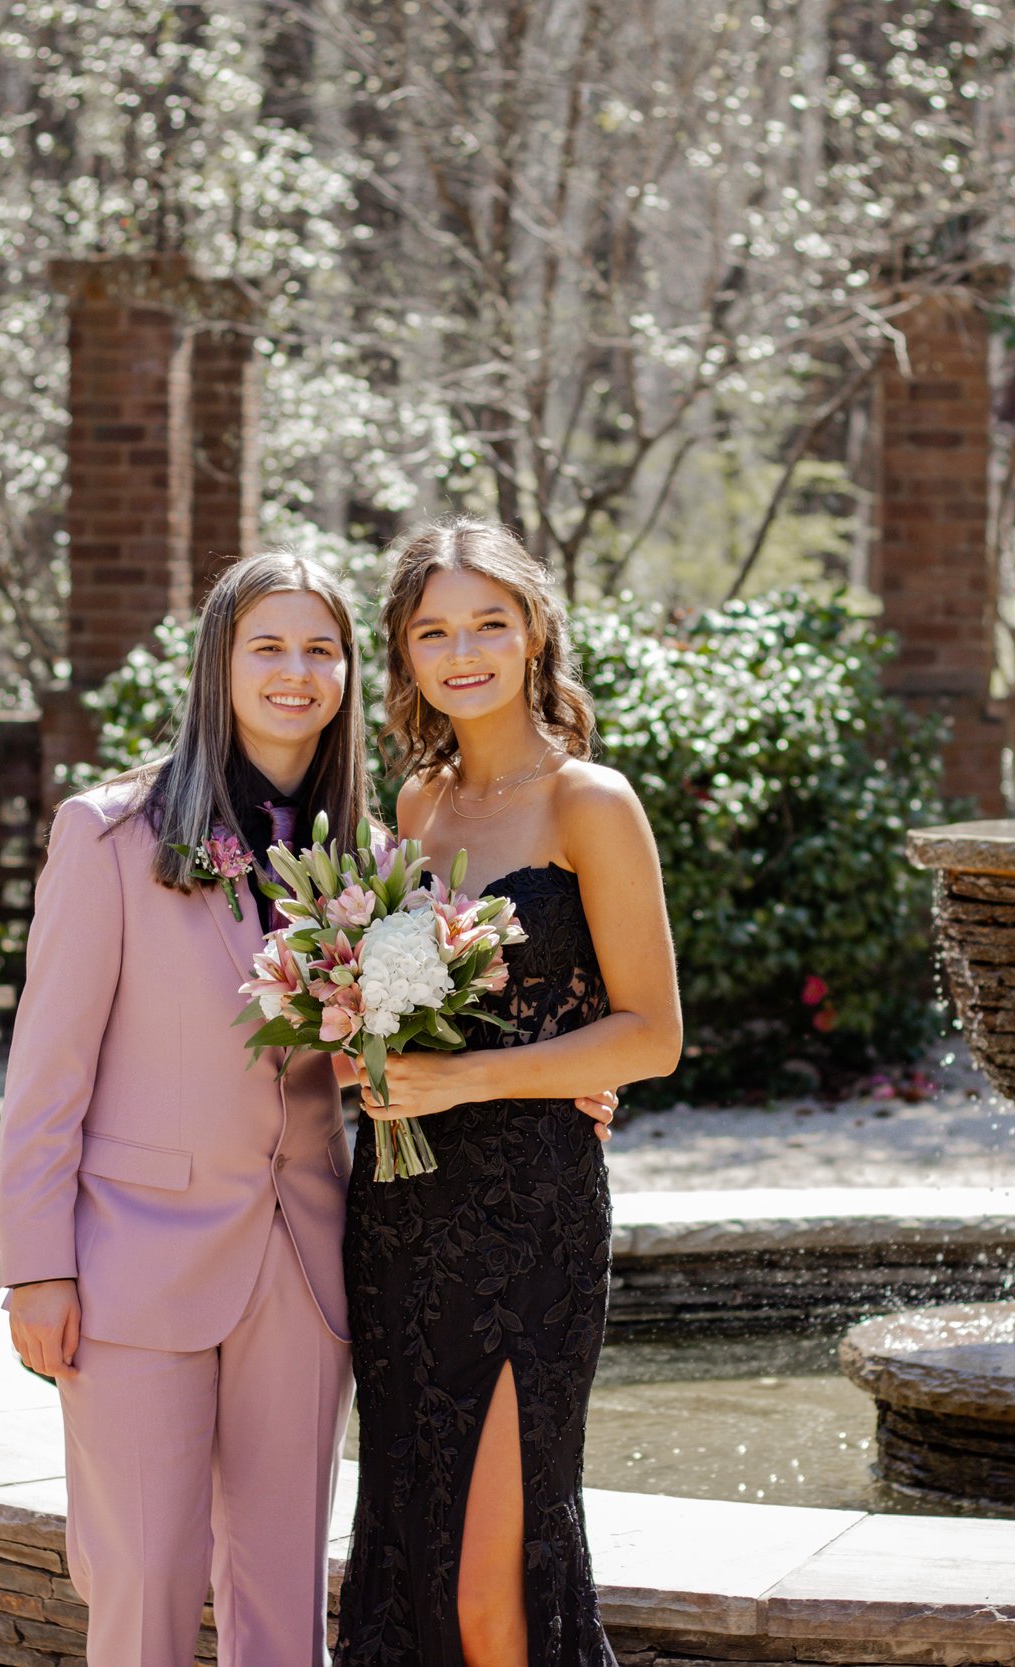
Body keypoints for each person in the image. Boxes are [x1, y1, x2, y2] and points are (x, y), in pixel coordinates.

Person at [0, 550, 371, 1667]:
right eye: (269, 646)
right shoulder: (109, 833)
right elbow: (47, 1069)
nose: (296, 671)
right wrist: (36, 1265)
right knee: (146, 1577)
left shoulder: (368, 853)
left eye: (321, 648)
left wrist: (553, 1080)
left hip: (303, 1263)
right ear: (219, 660)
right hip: (132, 1257)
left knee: (283, 1591)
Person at [337, 519, 683, 1667]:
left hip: (529, 1215)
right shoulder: (414, 805)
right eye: (434, 630)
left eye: (488, 621)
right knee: (410, 1552)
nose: (464, 650)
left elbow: (652, 1034)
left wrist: (466, 1079)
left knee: (494, 1592)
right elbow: (390, 1007)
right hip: (399, 1214)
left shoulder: (592, 800)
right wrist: (361, 1052)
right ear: (405, 650)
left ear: (534, 629)